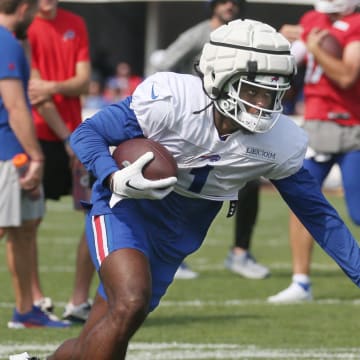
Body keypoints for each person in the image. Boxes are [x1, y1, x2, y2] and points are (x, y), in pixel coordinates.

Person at [12, 19, 360, 360]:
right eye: (252, 90)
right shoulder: (173, 99)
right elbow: (87, 134)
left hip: (178, 234)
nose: (263, 104)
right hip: (127, 208)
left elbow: (319, 216)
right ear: (219, 78)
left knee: (104, 332)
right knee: (131, 302)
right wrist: (112, 176)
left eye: (272, 93)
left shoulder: (280, 141)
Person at [150, 0, 269, 280]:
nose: (229, 6)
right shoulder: (198, 34)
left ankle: (240, 253)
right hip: (198, 123)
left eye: (235, 2)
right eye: (224, 1)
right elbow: (163, 65)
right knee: (180, 186)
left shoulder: (243, 36)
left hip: (236, 121)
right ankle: (170, 254)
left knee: (250, 182)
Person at [268, 0, 360, 303]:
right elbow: (290, 60)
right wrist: (279, 42)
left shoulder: (356, 24)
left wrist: (315, 47)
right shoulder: (312, 17)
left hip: (353, 125)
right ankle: (301, 282)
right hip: (317, 125)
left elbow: (346, 75)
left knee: (358, 212)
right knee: (300, 199)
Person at [0, 0, 70, 329]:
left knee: (24, 230)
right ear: (25, 7)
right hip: (10, 153)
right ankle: (26, 310)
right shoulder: (5, 43)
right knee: (13, 229)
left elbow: (29, 100)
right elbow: (16, 106)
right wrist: (37, 155)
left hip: (13, 151)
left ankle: (26, 310)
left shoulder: (13, 43)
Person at [27, 0, 94, 322]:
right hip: (36, 137)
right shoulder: (24, 28)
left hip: (73, 136)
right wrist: (69, 138)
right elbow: (34, 96)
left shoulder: (76, 22)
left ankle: (78, 302)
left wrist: (53, 87)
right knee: (26, 223)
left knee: (96, 212)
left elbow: (84, 82)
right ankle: (34, 300)